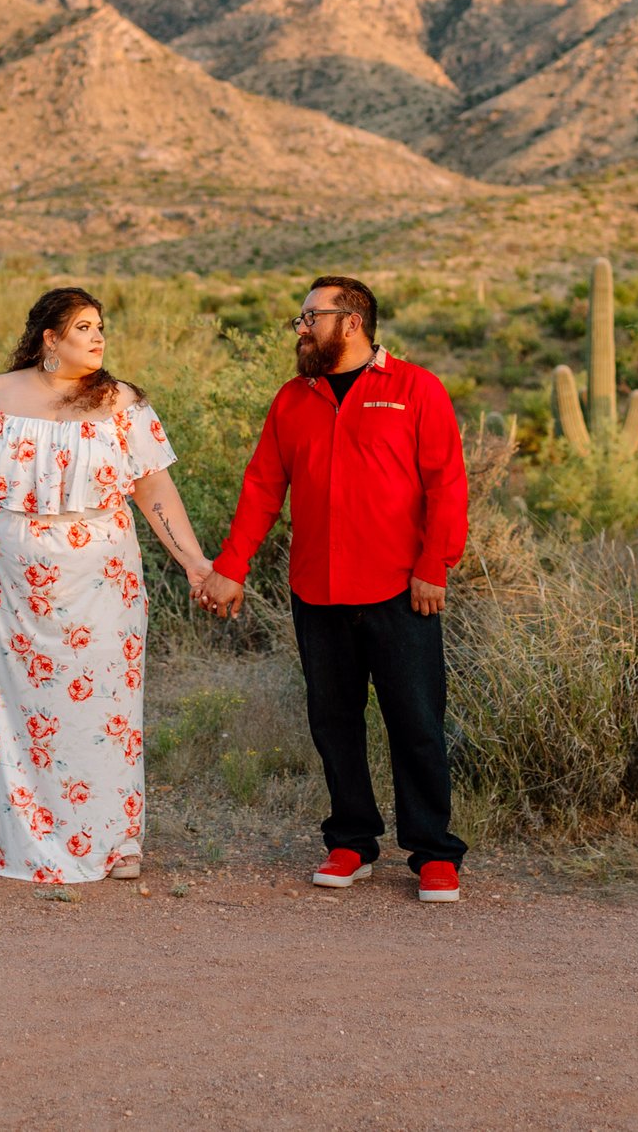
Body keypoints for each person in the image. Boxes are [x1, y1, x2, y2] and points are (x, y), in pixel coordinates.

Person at [0, 287, 215, 884]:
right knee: (20, 707)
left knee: (104, 704)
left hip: (100, 580)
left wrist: (194, 561)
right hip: (8, 584)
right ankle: (23, 833)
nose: (99, 337)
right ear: (49, 339)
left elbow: (153, 490)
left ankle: (116, 839)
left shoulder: (122, 403)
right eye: (84, 327)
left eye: (101, 326)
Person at [196, 276, 471, 902]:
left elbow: (447, 484)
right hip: (316, 591)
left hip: (401, 590)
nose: (300, 328)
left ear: (351, 322)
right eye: (301, 317)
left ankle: (433, 853)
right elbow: (263, 486)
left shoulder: (415, 389)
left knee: (417, 723)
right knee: (333, 722)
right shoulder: (294, 399)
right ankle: (351, 840)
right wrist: (232, 565)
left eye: (310, 317)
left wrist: (435, 564)